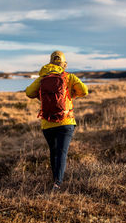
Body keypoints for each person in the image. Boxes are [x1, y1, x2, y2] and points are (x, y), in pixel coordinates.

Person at [25, 51, 88, 191]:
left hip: (47, 123)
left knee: (53, 152)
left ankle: (55, 181)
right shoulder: (69, 77)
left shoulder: (42, 78)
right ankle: (57, 183)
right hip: (66, 121)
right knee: (61, 152)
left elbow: (29, 93)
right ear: (64, 65)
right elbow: (84, 91)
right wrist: (71, 95)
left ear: (50, 63)